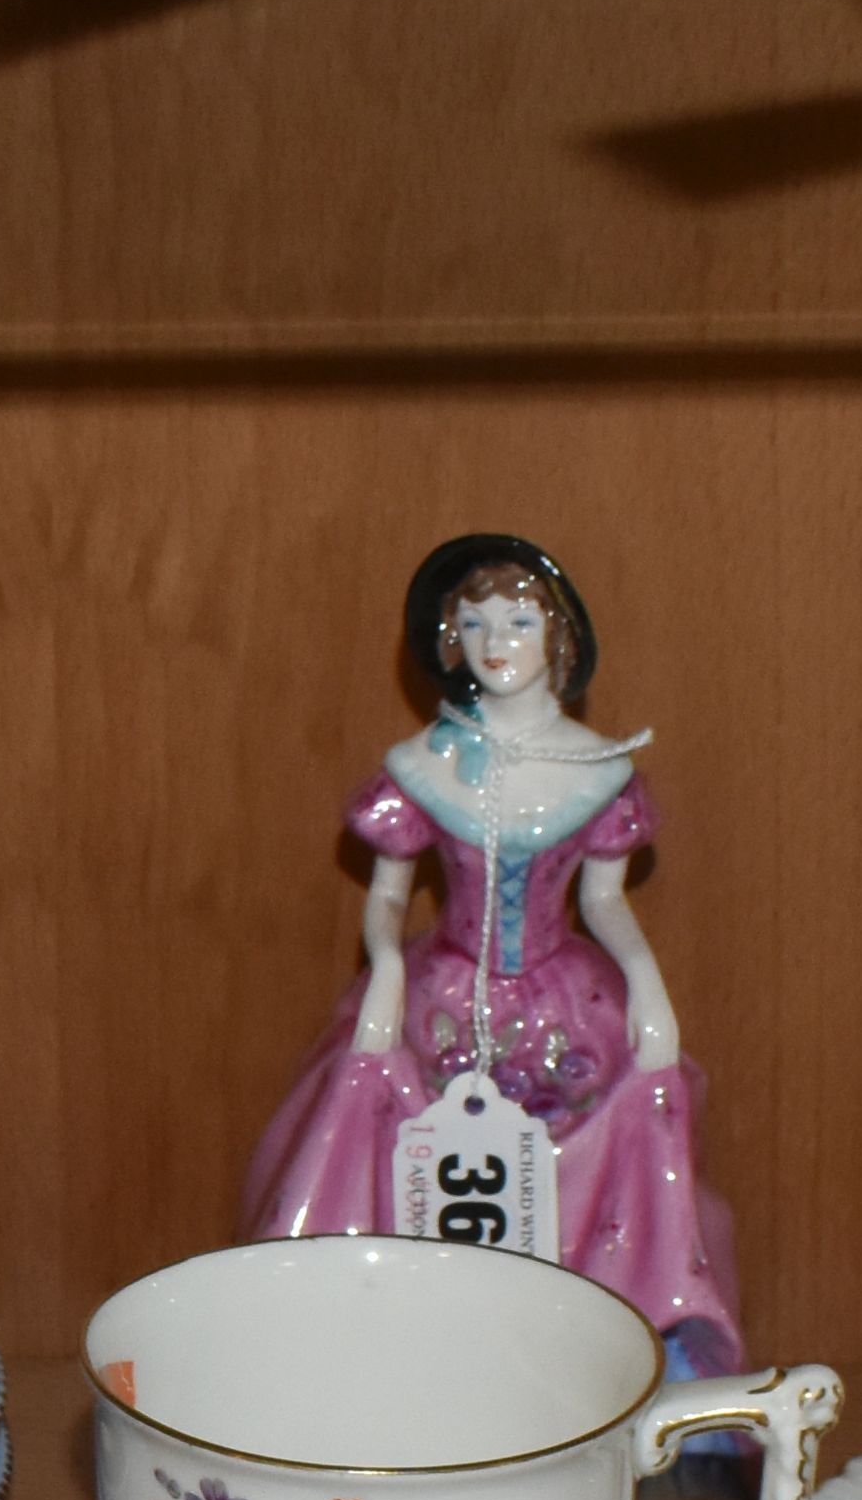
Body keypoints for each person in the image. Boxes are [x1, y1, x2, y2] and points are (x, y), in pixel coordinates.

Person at [235, 532, 741, 1375]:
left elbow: (604, 900)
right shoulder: (425, 766)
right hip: (443, 992)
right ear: (450, 642)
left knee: (633, 1111)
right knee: (371, 1095)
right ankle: (373, 1353)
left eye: (517, 622)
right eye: (474, 625)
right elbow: (391, 894)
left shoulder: (599, 769)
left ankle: (596, 1355)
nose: (496, 643)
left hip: (563, 1006)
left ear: (557, 640)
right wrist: (387, 970)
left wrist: (649, 987)